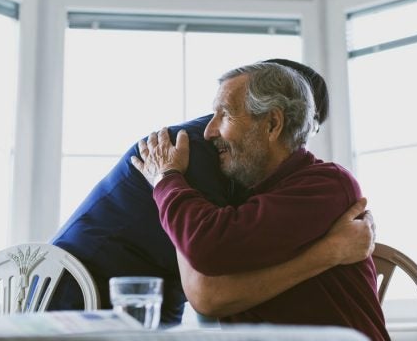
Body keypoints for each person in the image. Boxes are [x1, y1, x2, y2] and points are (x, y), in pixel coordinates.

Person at [49, 59, 375, 327]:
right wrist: (330, 251)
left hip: (148, 294)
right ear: (277, 117)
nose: (304, 134)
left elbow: (212, 281)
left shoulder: (312, 184)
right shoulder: (194, 153)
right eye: (308, 118)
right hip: (82, 288)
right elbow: (209, 285)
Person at [132, 62, 389, 340]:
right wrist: (329, 253)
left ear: (272, 124)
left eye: (225, 115)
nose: (208, 131)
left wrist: (167, 178)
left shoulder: (326, 185)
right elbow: (211, 296)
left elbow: (208, 244)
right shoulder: (251, 199)